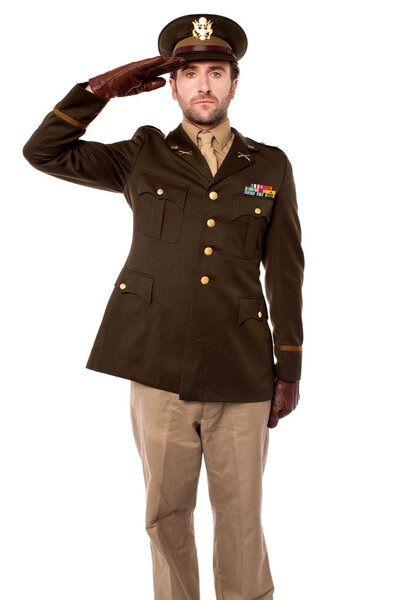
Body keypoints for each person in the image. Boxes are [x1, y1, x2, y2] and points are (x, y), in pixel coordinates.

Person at [22, 12, 304, 600]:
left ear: (234, 84)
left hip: (243, 367)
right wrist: (98, 91)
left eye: (217, 72)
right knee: (165, 513)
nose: (204, 84)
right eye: (191, 73)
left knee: (242, 516)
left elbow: (286, 270)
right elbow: (42, 152)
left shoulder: (269, 165)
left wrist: (290, 367)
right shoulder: (141, 154)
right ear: (171, 86)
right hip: (157, 365)